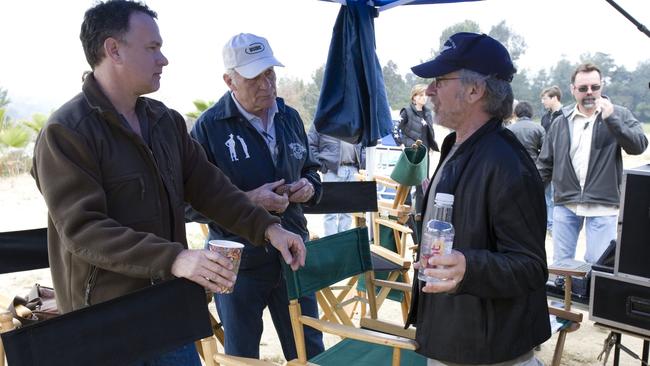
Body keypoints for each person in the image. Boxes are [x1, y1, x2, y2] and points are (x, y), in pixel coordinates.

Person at [30, 2, 305, 365]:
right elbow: (84, 230)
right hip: (105, 323)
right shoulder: (66, 133)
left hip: (169, 311)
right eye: (152, 48)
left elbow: (210, 188)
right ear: (114, 50)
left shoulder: (166, 122)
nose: (164, 60)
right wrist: (175, 257)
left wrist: (269, 228)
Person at [405, 32, 550, 365]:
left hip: (488, 350)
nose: (429, 90)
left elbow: (530, 267)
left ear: (474, 90)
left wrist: (469, 267)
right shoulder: (455, 145)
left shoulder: (507, 162)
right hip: (454, 336)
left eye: (439, 80)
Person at [188, 33, 324, 361]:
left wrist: (308, 187)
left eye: (270, 74)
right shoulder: (209, 128)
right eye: (254, 77)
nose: (266, 85)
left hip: (294, 254)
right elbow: (188, 206)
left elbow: (311, 171)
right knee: (243, 356)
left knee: (309, 352)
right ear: (229, 80)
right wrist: (250, 199)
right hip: (240, 264)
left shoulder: (289, 117)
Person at [537, 63, 648, 264]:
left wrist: (612, 120)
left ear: (602, 86)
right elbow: (545, 163)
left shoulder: (619, 114)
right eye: (583, 88)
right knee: (562, 265)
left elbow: (638, 146)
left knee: (598, 265)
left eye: (594, 87)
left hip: (603, 204)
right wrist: (526, 192)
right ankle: (566, 296)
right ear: (572, 90)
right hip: (566, 203)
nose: (589, 93)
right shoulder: (561, 120)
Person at [307, 125, 362, 236]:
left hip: (352, 169)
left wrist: (362, 160)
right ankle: (332, 242)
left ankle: (343, 241)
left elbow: (363, 143)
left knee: (347, 210)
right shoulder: (321, 119)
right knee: (330, 211)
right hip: (331, 170)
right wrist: (321, 165)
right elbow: (310, 145)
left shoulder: (353, 118)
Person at [398, 84, 439, 214]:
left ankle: (420, 214)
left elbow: (429, 131)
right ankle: (405, 213)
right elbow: (395, 130)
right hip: (412, 152)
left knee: (423, 182)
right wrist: (405, 144)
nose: (424, 98)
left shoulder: (428, 112)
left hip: (425, 152)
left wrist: (431, 145)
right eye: (421, 95)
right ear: (414, 97)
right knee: (407, 184)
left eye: (425, 95)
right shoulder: (406, 111)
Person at [539, 86, 563, 235]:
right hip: (547, 161)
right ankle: (549, 224)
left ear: (554, 98)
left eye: (545, 98)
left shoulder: (565, 116)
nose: (543, 102)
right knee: (547, 195)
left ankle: (555, 225)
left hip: (559, 162)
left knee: (555, 195)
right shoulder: (545, 117)